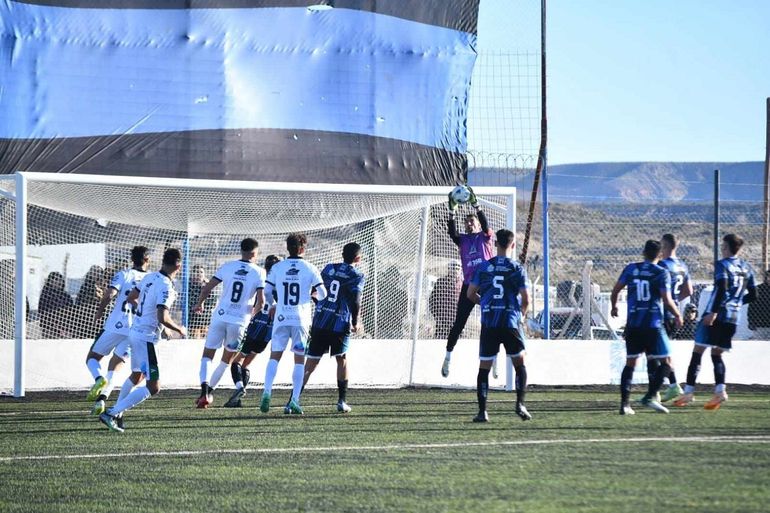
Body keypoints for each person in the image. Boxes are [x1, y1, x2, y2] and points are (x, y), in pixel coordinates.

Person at [99, 248, 187, 432]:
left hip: (135, 332)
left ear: (163, 261)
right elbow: (163, 317)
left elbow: (132, 297)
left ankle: (118, 415)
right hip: (146, 338)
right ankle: (112, 413)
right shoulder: (166, 287)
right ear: (178, 266)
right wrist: (179, 328)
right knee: (154, 387)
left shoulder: (149, 277)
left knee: (136, 375)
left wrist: (147, 314)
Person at [674, 233, 756, 410]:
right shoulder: (747, 267)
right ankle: (720, 391)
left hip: (716, 315)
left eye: (723, 247)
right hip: (733, 318)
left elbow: (722, 288)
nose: (722, 250)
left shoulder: (722, 265)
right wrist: (736, 302)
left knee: (697, 352)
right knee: (717, 354)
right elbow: (754, 294)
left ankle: (688, 392)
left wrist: (713, 312)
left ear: (727, 248)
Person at [610, 240, 683, 415]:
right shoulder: (661, 272)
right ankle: (650, 396)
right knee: (667, 362)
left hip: (633, 325)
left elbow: (615, 290)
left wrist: (614, 306)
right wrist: (678, 315)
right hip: (653, 325)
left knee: (631, 363)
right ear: (659, 255)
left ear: (643, 252)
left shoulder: (631, 268)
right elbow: (666, 299)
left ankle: (625, 405)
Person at [466, 229, 531, 423]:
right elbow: (526, 300)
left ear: (495, 244)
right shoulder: (517, 268)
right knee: (520, 364)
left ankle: (482, 411)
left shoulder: (484, 267)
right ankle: (520, 404)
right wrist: (521, 315)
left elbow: (470, 294)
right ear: (512, 245)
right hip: (510, 321)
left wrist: (485, 303)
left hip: (489, 322)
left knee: (484, 367)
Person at [193, 238, 265, 408]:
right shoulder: (259, 272)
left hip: (220, 316)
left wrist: (199, 303)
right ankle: (209, 392)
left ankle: (204, 391)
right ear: (255, 253)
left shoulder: (227, 266)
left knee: (207, 356)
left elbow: (206, 288)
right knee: (226, 361)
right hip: (239, 322)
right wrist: (251, 317)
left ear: (241, 250)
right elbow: (260, 303)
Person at [259, 233, 326, 415]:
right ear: (303, 248)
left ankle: (266, 392)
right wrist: (311, 296)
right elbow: (323, 294)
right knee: (298, 359)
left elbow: (267, 291)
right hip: (300, 319)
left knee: (275, 356)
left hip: (281, 317)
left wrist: (272, 304)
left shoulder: (278, 267)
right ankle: (295, 399)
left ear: (287, 248)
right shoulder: (310, 267)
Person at [85, 246, 150, 415]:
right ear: (147, 260)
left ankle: (99, 380)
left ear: (132, 259)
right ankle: (102, 400)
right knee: (115, 367)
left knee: (92, 358)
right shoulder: (151, 280)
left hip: (115, 325)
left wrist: (100, 311)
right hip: (135, 329)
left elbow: (109, 294)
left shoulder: (124, 274)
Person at [303, 242, 365, 413]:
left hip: (320, 321)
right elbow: (356, 299)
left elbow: (315, 291)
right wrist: (355, 321)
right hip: (340, 323)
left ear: (342, 254)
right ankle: (341, 401)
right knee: (341, 359)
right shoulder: (357, 275)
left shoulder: (329, 268)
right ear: (358, 258)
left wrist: (319, 304)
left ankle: (293, 399)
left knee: (311, 362)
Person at [442, 187, 495, 378]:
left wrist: (476, 205)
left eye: (472, 222)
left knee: (490, 322)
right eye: (467, 222)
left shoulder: (486, 237)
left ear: (478, 225)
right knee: (459, 323)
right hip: (469, 285)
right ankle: (448, 356)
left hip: (486, 284)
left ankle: (493, 361)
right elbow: (451, 231)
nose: (470, 224)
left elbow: (486, 223)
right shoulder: (462, 240)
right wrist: (452, 210)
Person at [223, 254, 283, 408]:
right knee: (246, 365)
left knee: (236, 362)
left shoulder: (262, 282)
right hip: (267, 333)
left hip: (254, 327)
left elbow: (255, 302)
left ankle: (240, 389)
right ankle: (237, 399)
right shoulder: (282, 285)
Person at [653, 233, 693, 401]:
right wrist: (675, 303)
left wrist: (666, 301)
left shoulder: (662, 265)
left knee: (657, 352)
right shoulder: (683, 266)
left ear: (666, 246)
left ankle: (660, 389)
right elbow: (689, 290)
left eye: (661, 246)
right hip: (672, 312)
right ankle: (671, 385)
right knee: (662, 351)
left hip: (661, 313)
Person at [429, 261, 462, 339]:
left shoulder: (463, 284)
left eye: (457, 268)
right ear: (449, 269)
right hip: (442, 321)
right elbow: (432, 300)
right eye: (453, 268)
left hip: (457, 321)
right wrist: (437, 316)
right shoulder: (441, 282)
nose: (455, 271)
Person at [38, 271, 73, 339]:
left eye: (60, 279)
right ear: (50, 281)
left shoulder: (66, 295)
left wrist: (67, 327)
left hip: (65, 328)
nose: (58, 282)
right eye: (55, 279)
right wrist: (55, 326)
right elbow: (43, 312)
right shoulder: (46, 295)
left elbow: (71, 310)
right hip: (50, 329)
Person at [188, 265, 213, 339]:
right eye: (196, 272)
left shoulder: (209, 286)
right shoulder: (188, 286)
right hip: (193, 320)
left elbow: (213, 302)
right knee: (195, 339)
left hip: (206, 320)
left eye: (201, 272)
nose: (199, 274)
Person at [747, 270, 770, 340]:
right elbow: (751, 308)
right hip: (760, 325)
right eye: (769, 276)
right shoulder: (758, 289)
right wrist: (751, 322)